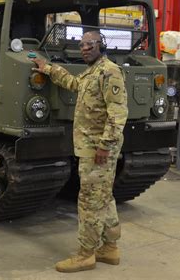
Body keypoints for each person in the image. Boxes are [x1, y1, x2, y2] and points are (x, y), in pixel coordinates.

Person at [31, 30, 128, 273]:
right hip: (91, 147)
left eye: (90, 44)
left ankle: (86, 254)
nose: (84, 49)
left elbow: (118, 114)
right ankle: (110, 247)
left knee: (89, 201)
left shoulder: (109, 71)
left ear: (101, 45)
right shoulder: (92, 72)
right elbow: (74, 84)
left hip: (98, 149)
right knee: (103, 197)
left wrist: (105, 146)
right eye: (82, 45)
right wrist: (48, 68)